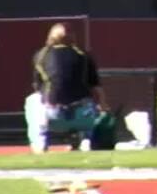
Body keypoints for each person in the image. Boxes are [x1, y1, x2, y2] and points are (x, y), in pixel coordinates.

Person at [27, 23, 107, 154]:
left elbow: (37, 87)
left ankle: (40, 142)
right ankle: (86, 138)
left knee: (32, 100)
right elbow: (97, 87)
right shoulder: (84, 55)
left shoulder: (41, 55)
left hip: (53, 117)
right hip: (83, 117)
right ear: (72, 37)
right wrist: (104, 106)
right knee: (88, 100)